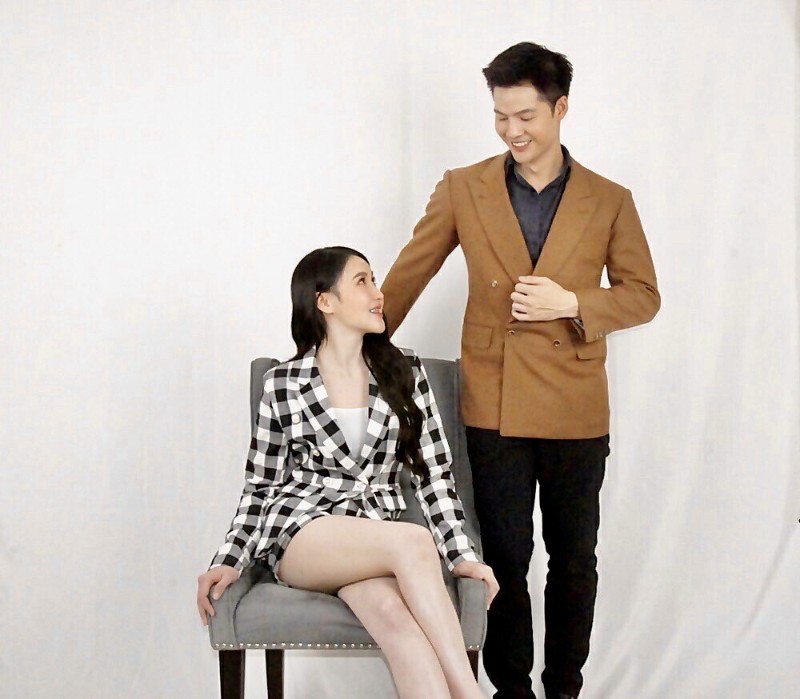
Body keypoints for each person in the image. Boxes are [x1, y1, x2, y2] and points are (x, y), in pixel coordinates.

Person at [380, 42, 660, 699]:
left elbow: (644, 295)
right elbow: (408, 274)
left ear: (561, 109)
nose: (513, 131)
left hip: (575, 405)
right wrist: (348, 341)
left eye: (526, 116)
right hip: (494, 400)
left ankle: (564, 688)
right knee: (502, 559)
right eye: (501, 116)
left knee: (574, 560)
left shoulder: (609, 199)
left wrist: (574, 303)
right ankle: (511, 692)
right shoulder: (464, 186)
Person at [196, 246, 499, 699]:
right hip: (305, 533)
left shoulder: (405, 372)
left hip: (372, 534)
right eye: (363, 282)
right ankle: (470, 694)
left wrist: (462, 557)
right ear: (325, 301)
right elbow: (260, 487)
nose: (378, 293)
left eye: (374, 280)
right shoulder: (283, 384)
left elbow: (434, 477)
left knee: (397, 623)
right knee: (414, 541)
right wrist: (229, 559)